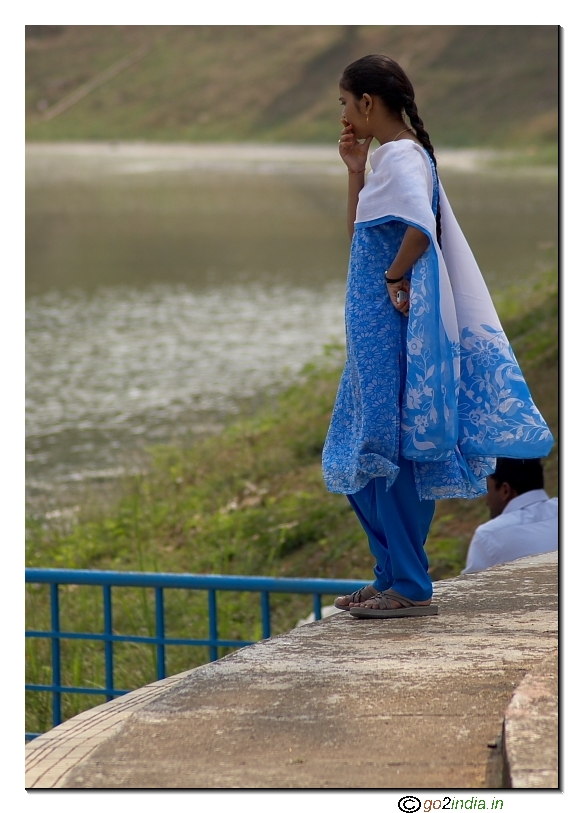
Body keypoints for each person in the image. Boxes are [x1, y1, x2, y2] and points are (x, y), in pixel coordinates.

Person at [323, 55, 554, 619]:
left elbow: (419, 231)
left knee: (389, 452)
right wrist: (355, 170)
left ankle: (407, 582)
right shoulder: (389, 157)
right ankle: (390, 574)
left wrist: (394, 277)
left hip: (391, 333)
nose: (344, 114)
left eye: (346, 103)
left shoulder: (404, 155)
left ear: (368, 103)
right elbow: (361, 235)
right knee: (362, 452)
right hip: (374, 337)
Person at [462, 458, 558, 574]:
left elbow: (473, 585)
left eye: (487, 488)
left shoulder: (489, 536)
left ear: (505, 491)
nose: (485, 498)